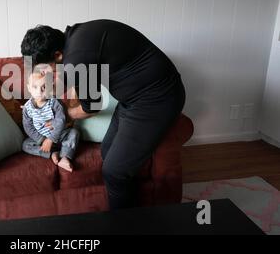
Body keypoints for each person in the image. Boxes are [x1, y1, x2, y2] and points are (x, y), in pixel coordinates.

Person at [21, 19, 186, 209]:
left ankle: (123, 226)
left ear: (57, 55)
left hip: (157, 99)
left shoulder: (75, 60)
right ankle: (135, 205)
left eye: (44, 68)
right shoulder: (75, 36)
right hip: (133, 99)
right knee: (108, 151)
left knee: (114, 172)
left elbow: (91, 107)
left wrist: (63, 116)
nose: (45, 74)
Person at [22, 70, 80, 172]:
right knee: (25, 145)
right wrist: (42, 140)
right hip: (41, 139)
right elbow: (28, 127)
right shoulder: (27, 108)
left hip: (58, 136)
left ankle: (65, 156)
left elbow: (61, 121)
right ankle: (52, 153)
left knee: (74, 132)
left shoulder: (54, 102)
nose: (39, 92)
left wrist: (51, 139)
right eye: (35, 87)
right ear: (29, 88)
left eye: (44, 87)